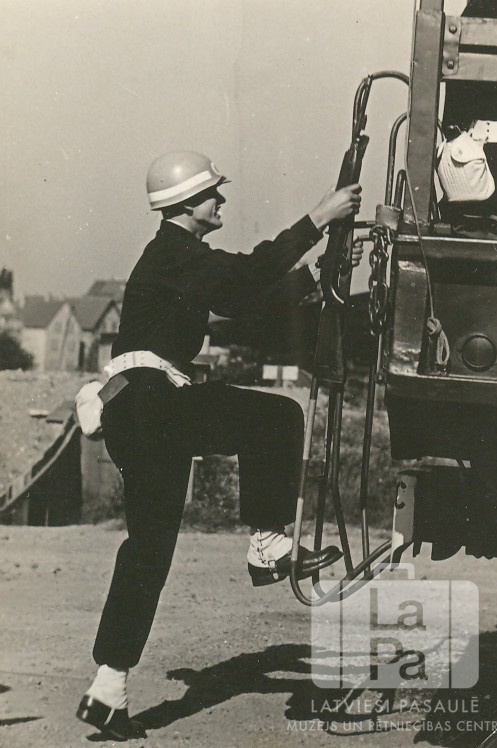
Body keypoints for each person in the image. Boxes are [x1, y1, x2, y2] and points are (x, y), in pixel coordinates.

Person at [77, 150, 362, 740]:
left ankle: (107, 687)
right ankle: (267, 544)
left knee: (149, 550)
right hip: (153, 399)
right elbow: (250, 276)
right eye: (213, 194)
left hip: (136, 408)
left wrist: (317, 276)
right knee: (277, 416)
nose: (221, 200)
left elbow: (245, 304)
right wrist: (319, 218)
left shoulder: (176, 258)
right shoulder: (177, 252)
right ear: (186, 205)